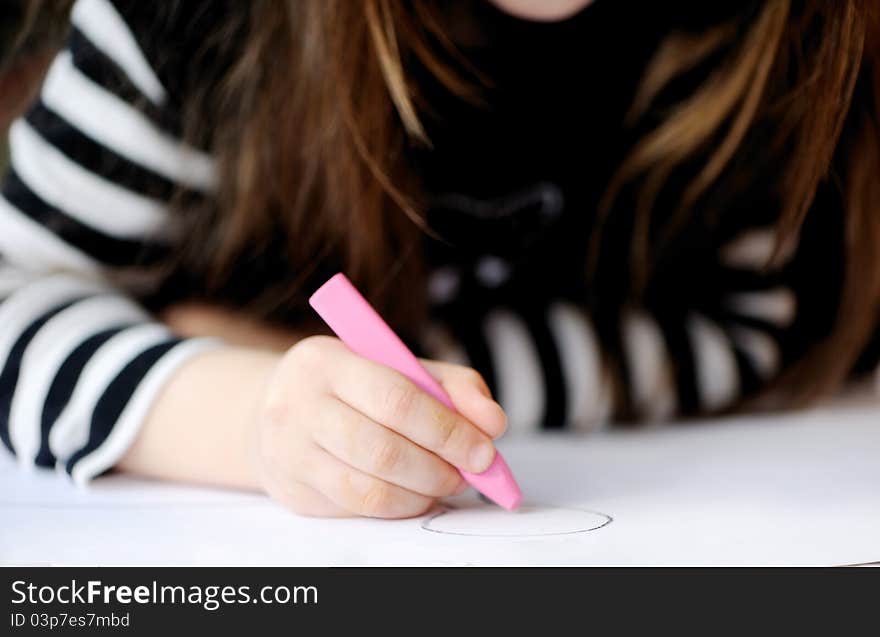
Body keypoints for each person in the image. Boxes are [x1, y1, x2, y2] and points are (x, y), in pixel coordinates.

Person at [1, 0, 878, 518]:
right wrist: (251, 413)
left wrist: (379, 378)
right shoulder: (196, 21)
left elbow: (753, 328)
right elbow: (14, 298)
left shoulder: (761, 31)